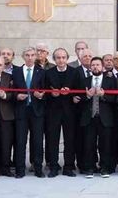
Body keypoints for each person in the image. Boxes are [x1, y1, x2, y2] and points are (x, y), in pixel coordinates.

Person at [44, 47, 80, 177]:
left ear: (67, 59)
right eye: (58, 58)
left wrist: (72, 94)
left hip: (69, 111)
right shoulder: (48, 73)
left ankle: (68, 167)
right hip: (53, 112)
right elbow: (44, 92)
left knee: (70, 140)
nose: (61, 60)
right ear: (54, 59)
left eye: (63, 57)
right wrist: (52, 94)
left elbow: (79, 90)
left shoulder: (74, 72)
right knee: (52, 140)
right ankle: (53, 166)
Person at [79, 56, 116, 178]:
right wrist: (88, 96)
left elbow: (115, 99)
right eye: (93, 65)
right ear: (90, 67)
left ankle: (104, 168)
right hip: (89, 117)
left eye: (98, 65)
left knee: (105, 144)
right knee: (89, 144)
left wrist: (103, 95)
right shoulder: (85, 81)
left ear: (103, 67)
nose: (95, 67)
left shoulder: (110, 80)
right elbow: (79, 99)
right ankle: (90, 168)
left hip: (105, 118)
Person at [13, 47, 46, 178]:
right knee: (20, 141)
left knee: (37, 141)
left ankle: (38, 168)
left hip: (36, 111)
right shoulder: (16, 72)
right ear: (23, 56)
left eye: (32, 55)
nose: (30, 57)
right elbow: (11, 90)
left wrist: (41, 95)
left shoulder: (41, 72)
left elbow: (46, 90)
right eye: (27, 55)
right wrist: (17, 96)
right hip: (21, 110)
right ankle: (20, 170)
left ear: (35, 56)